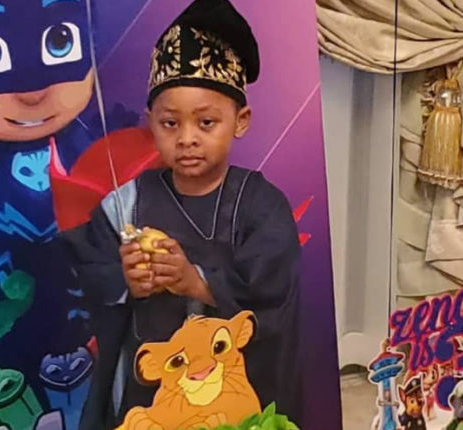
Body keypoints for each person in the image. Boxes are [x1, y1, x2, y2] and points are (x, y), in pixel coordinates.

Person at [60, 0, 302, 429]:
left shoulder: (262, 205)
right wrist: (125, 281)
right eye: (170, 124)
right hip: (153, 401)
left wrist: (197, 282)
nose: (187, 139)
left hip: (233, 401)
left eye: (206, 123)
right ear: (150, 122)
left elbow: (274, 302)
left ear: (240, 120)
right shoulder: (125, 205)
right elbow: (85, 277)